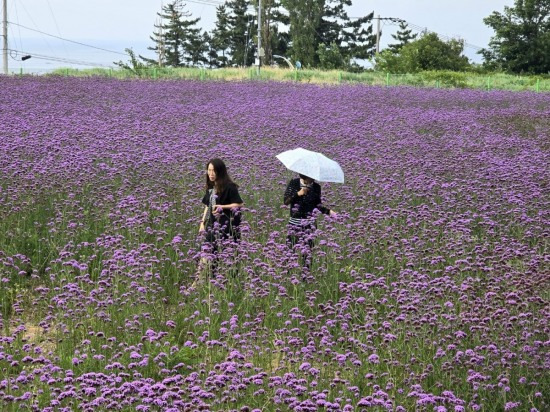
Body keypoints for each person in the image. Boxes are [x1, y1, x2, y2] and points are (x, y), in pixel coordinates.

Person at [197, 158, 243, 279]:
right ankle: (199, 282)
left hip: (228, 229)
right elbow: (207, 205)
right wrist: (202, 222)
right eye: (209, 170)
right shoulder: (211, 187)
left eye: (214, 171)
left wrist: (222, 206)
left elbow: (239, 204)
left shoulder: (230, 187)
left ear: (220, 172)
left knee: (229, 259)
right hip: (212, 227)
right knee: (206, 255)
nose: (211, 174)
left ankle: (228, 283)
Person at [284, 174, 336, 269]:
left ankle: (306, 277)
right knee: (290, 252)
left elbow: (317, 205)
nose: (312, 180)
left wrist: (328, 212)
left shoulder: (316, 187)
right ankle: (288, 275)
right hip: (294, 225)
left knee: (307, 255)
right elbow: (286, 201)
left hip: (310, 226)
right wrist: (298, 194)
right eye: (310, 178)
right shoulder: (294, 183)